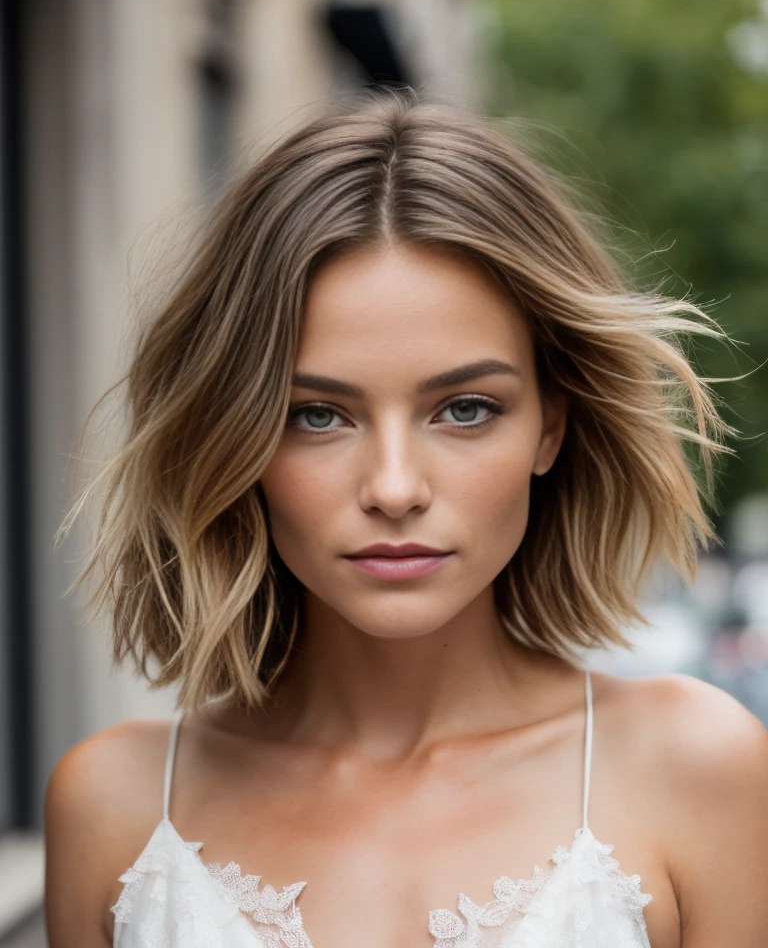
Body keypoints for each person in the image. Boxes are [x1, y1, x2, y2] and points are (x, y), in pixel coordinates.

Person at [45, 92, 768, 948]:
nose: (394, 487)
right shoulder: (114, 803)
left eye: (464, 409)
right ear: (236, 437)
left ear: (551, 425)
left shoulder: (696, 767)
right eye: (316, 415)